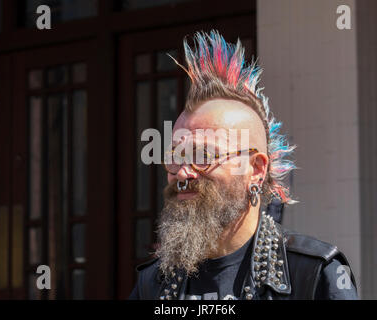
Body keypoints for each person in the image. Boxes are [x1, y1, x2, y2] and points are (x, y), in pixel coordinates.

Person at [129, 30, 358, 300]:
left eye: (203, 156)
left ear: (256, 170)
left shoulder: (313, 275)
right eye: (175, 157)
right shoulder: (153, 285)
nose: (182, 172)